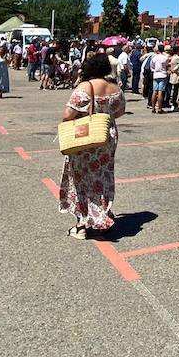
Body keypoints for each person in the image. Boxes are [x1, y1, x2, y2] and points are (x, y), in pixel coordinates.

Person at [59, 52, 127, 237]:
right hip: (106, 136)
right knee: (103, 177)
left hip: (86, 139)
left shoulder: (85, 87)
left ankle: (82, 224)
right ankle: (102, 215)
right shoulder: (115, 88)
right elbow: (120, 111)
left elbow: (68, 114)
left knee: (81, 179)